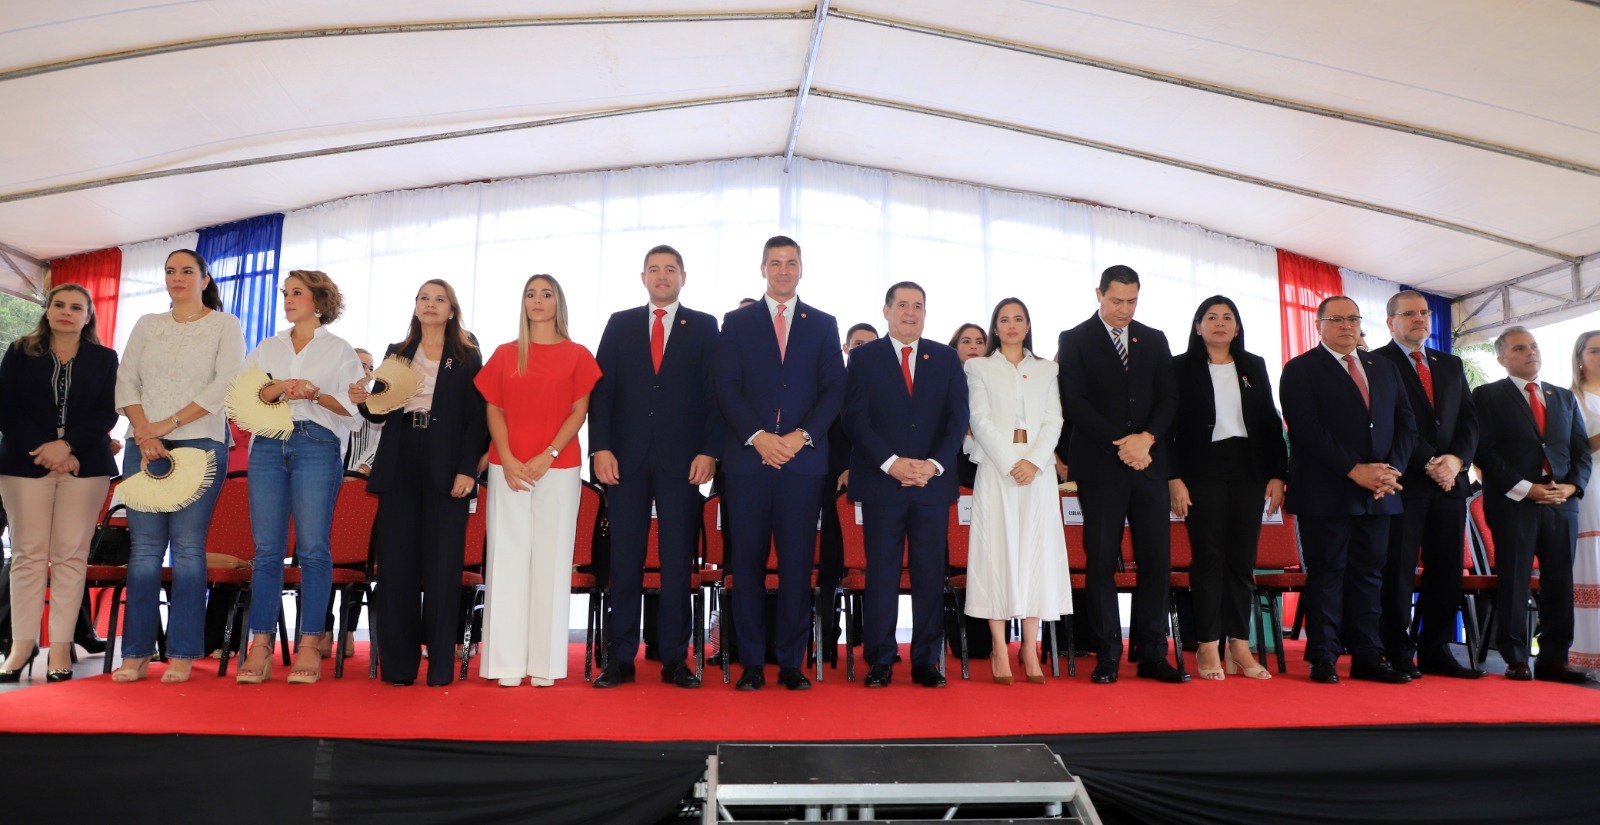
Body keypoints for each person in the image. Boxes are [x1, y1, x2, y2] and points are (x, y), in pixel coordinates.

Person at [714, 235, 844, 691]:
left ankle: (791, 661)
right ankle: (750, 661)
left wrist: (799, 437)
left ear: (802, 269)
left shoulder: (824, 324)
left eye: (791, 263)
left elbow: (834, 391)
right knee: (745, 566)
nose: (783, 270)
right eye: (775, 263)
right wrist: (758, 438)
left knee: (795, 566)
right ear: (762, 268)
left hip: (802, 464)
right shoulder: (737, 321)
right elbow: (725, 386)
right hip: (749, 462)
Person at [111, 249, 246, 683]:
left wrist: (165, 426)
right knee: (145, 551)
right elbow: (126, 378)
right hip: (142, 444)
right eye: (170, 271)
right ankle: (135, 653)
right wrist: (146, 431)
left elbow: (225, 383)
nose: (177, 278)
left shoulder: (225, 324)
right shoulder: (147, 324)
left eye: (187, 271)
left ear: (205, 279)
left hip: (200, 443)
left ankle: (184, 651)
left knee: (188, 550)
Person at [589, 246, 720, 690]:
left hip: (683, 461)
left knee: (677, 562)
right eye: (654, 270)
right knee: (624, 560)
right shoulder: (620, 323)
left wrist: (709, 451)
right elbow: (601, 392)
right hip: (624, 459)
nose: (662, 276)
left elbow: (713, 396)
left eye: (670, 270)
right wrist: (600, 448)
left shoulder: (704, 326)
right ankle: (620, 658)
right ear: (642, 277)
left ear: (684, 276)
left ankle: (674, 659)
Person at [1056, 264, 1187, 684]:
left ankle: (1150, 653)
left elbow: (1169, 397)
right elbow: (1074, 403)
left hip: (1149, 464)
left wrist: (1145, 439)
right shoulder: (1075, 339)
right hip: (1101, 466)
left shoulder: (1153, 339)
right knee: (1100, 561)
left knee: (1156, 561)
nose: (1124, 309)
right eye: (1116, 300)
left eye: (1132, 301)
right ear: (1099, 294)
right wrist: (1125, 442)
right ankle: (1108, 652)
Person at [233, 270, 364, 686]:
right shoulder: (267, 346)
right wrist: (277, 389)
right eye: (285, 293)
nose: (288, 299)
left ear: (319, 300)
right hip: (269, 443)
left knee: (313, 548)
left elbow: (354, 410)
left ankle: (310, 643)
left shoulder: (340, 350)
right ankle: (260, 645)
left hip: (317, 443)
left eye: (297, 293)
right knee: (267, 550)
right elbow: (241, 397)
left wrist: (314, 394)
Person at [352, 279, 485, 687]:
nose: (431, 305)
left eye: (439, 299)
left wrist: (468, 470)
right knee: (397, 567)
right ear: (415, 307)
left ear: (451, 309)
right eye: (424, 298)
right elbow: (378, 412)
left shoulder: (467, 355)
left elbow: (478, 420)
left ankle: (441, 666)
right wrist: (363, 399)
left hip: (447, 464)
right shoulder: (397, 352)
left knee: (444, 567)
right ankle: (399, 667)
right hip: (401, 457)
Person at [1279, 295, 1416, 684]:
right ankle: (1323, 656)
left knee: (1370, 574)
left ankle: (1368, 656)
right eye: (1336, 319)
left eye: (1353, 319)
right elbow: (1306, 429)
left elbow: (1406, 424)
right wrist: (1354, 469)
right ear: (1318, 325)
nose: (1346, 326)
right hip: (1327, 489)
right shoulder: (1301, 369)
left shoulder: (1384, 368)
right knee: (1329, 572)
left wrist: (1391, 471)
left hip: (1380, 491)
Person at [476, 274, 601, 688]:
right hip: (507, 465)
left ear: (558, 302)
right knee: (507, 560)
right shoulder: (504, 353)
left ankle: (546, 665)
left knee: (551, 561)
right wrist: (508, 459)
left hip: (559, 466)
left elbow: (578, 412)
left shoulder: (577, 354)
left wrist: (547, 455)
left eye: (546, 294)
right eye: (530, 294)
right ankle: (505, 664)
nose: (537, 300)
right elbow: (493, 410)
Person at [841, 283, 967, 688]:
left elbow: (957, 419)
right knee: (882, 573)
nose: (910, 312)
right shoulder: (863, 358)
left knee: (930, 574)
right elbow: (854, 419)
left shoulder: (946, 358)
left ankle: (926, 660)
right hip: (883, 483)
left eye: (918, 306)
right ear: (886, 310)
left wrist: (932, 465)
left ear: (925, 313)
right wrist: (892, 463)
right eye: (903, 305)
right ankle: (880, 658)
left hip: (931, 486)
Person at [0, 285, 119, 682]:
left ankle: (62, 648)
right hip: (24, 462)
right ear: (47, 310)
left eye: (76, 307)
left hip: (85, 466)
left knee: (71, 557)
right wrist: (45, 448)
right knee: (28, 555)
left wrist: (67, 446)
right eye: (59, 305)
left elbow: (106, 414)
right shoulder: (20, 351)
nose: (66, 312)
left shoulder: (105, 359)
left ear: (88, 317)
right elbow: (7, 407)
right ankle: (21, 648)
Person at [1167, 296, 1287, 681]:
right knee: (1209, 557)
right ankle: (1206, 643)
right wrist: (1174, 478)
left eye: (1228, 317)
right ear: (1197, 326)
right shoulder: (1179, 368)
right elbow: (1166, 429)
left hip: (1249, 469)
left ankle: (1238, 643)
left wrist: (1277, 474)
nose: (1220, 323)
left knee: (1241, 558)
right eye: (1211, 317)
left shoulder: (1253, 365)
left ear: (1237, 327)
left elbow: (1270, 422)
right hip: (1201, 469)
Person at [1472, 326, 1590, 682]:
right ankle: (1515, 657)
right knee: (1515, 578)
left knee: (1559, 581)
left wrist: (1572, 487)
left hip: (1560, 502)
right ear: (1502, 358)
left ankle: (1554, 658)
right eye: (1520, 348)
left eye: (1534, 346)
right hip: (1514, 502)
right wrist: (1526, 488)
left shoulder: (1562, 397)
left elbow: (1580, 450)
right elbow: (1484, 452)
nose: (1531, 353)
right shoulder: (1487, 395)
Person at [1373, 291, 1481, 679]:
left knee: (1447, 569)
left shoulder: (1450, 364)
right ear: (1391, 322)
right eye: (1409, 313)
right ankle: (1396, 649)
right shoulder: (1376, 362)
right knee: (1397, 570)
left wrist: (1457, 460)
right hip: (1404, 482)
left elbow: (1469, 421)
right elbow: (1389, 421)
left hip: (1450, 484)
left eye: (1423, 313)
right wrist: (1431, 461)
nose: (1420, 318)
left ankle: (1436, 650)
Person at [963, 298, 1071, 684]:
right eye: (1004, 319)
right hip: (997, 469)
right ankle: (998, 647)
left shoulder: (1047, 369)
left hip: (1037, 473)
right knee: (998, 551)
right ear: (995, 327)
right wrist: (1012, 461)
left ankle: (1029, 646)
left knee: (1034, 553)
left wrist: (1035, 461)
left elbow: (1053, 419)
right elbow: (980, 418)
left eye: (1018, 319)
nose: (1011, 325)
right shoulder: (977, 367)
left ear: (1028, 326)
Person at [1568, 331, 1600, 678]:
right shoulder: (1572, 398)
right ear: (1580, 358)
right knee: (1594, 563)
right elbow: (1573, 451)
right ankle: (1590, 654)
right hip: (1592, 487)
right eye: (1595, 351)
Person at [344, 349, 382, 475]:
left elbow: (381, 440)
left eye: (371, 368)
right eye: (362, 366)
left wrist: (363, 469)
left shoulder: (377, 403)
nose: (367, 371)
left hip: (359, 473)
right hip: (329, 469)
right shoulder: (332, 397)